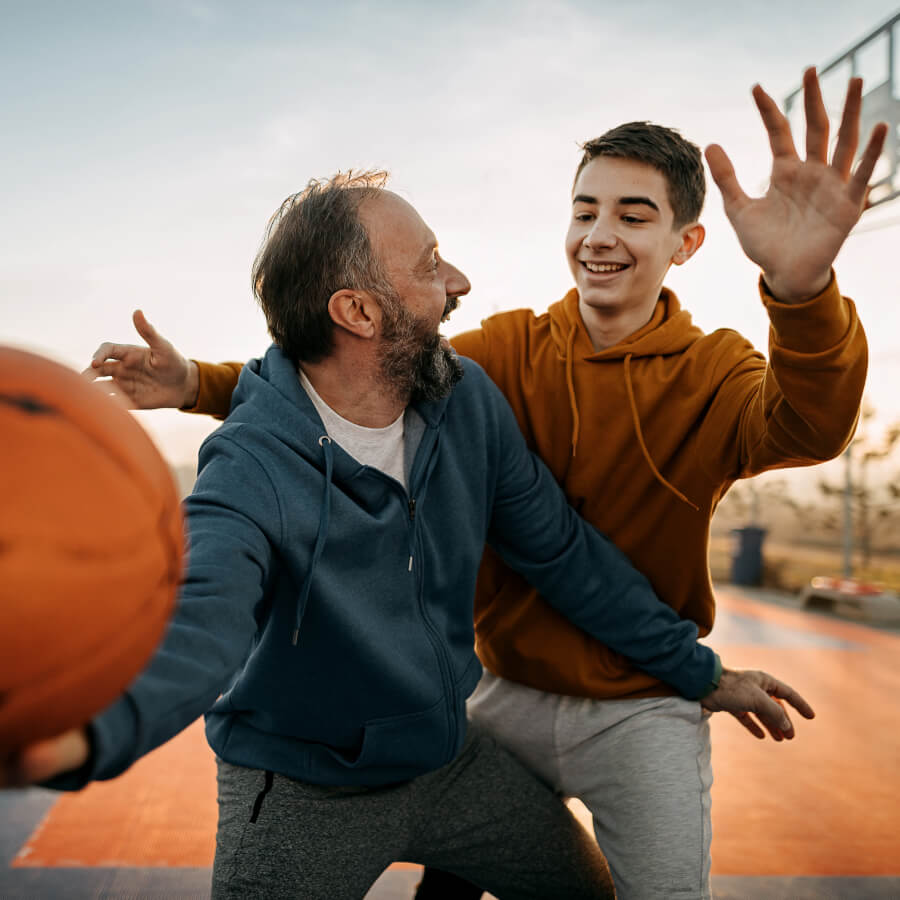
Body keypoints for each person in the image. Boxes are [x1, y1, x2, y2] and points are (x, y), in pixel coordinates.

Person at [81, 69, 880, 899]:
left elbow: (785, 438)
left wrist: (802, 293)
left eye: (633, 215)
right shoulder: (467, 373)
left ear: (685, 243)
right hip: (427, 729)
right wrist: (196, 388)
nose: (599, 234)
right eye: (585, 210)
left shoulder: (628, 378)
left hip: (555, 721)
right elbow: (218, 587)